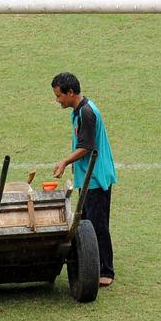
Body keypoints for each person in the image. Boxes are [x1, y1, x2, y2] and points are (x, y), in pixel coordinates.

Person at [50, 73, 118, 287]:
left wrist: (64, 162)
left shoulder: (86, 113)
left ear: (71, 93)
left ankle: (106, 270)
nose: (57, 100)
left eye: (59, 95)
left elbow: (86, 147)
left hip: (96, 178)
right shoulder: (80, 111)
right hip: (89, 177)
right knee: (87, 223)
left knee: (97, 225)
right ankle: (92, 264)